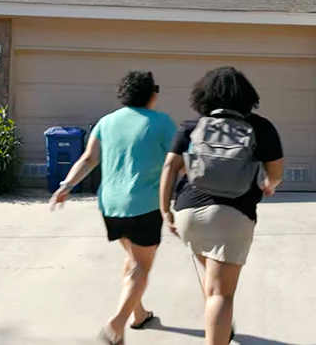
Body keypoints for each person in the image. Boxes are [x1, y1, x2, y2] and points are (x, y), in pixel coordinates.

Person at [49, 70, 177, 345]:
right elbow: (177, 160)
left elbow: (88, 158)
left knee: (132, 260)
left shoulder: (106, 122)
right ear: (152, 95)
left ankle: (138, 314)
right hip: (144, 205)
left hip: (111, 206)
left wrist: (67, 185)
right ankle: (116, 325)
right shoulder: (162, 122)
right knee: (142, 265)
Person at [159, 67, 284, 345]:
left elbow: (170, 167)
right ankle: (219, 328)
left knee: (213, 277)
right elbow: (276, 173)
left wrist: (165, 209)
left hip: (188, 213)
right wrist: (269, 185)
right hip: (234, 215)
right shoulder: (261, 127)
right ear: (247, 96)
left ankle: (222, 329)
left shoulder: (192, 127)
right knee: (221, 293)